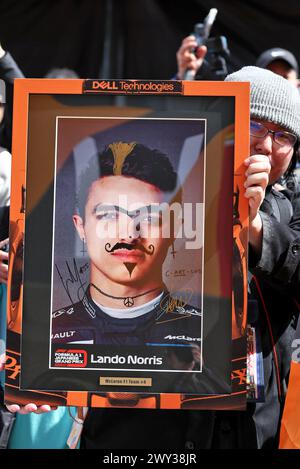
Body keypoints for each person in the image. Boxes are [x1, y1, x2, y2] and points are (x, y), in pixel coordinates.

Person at [79, 67, 300, 449]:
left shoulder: (288, 209)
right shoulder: (149, 190)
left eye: (283, 135)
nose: (266, 144)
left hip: (249, 426)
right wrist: (21, 265)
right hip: (141, 422)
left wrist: (255, 227)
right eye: (253, 124)